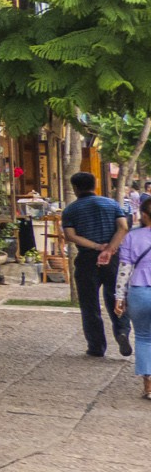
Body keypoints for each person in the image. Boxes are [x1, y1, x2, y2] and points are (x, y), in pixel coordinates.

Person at [62, 171, 130, 357]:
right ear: (95, 184)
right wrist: (110, 249)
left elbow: (70, 235)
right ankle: (122, 332)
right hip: (114, 259)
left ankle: (96, 346)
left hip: (87, 259)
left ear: (75, 188)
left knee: (89, 304)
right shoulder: (111, 203)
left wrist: (96, 246)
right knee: (117, 298)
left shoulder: (71, 210)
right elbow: (123, 227)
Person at [115, 198, 151, 400]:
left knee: (144, 338)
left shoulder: (132, 237)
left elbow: (124, 269)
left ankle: (149, 386)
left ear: (144, 215)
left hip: (139, 291)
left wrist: (119, 297)